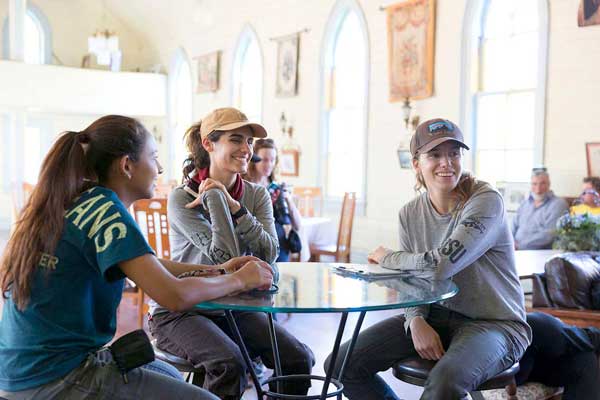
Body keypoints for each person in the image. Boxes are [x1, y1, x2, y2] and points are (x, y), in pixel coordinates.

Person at [0, 115, 276, 400]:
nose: (159, 167)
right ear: (127, 165)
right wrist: (239, 279)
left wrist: (216, 271)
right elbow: (174, 297)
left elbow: (147, 265)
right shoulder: (105, 210)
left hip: (20, 369)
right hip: (56, 376)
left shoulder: (78, 198)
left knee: (168, 374)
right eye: (153, 157)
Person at [324, 118, 531, 400]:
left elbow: (440, 266)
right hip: (435, 315)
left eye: (454, 153)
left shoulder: (485, 201)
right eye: (435, 154)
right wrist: (416, 321)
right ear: (416, 163)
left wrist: (388, 257)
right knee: (339, 365)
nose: (446, 163)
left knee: (443, 383)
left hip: (495, 323)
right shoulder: (409, 213)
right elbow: (411, 281)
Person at [148, 107, 314, 400]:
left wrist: (235, 207)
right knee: (229, 364)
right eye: (236, 140)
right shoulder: (181, 198)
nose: (246, 149)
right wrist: (214, 196)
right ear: (209, 144)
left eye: (249, 142)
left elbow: (271, 252)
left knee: (298, 358)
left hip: (235, 307)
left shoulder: (256, 195)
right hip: (180, 310)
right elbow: (223, 259)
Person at [517, 312, 600, 400]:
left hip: (537, 358)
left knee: (584, 360)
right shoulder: (563, 336)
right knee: (586, 360)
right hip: (516, 368)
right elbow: (520, 375)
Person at [244, 138, 302, 262]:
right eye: (264, 160)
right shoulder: (243, 186)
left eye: (272, 160)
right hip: (251, 248)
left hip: (279, 246)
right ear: (253, 160)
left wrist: (288, 200)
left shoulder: (276, 187)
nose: (269, 164)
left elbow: (297, 226)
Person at [512, 167, 568, 250]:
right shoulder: (524, 203)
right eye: (534, 184)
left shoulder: (558, 204)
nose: (538, 189)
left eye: (543, 183)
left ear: (549, 184)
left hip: (538, 253)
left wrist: (519, 246)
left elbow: (549, 234)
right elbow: (513, 226)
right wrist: (509, 243)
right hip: (515, 250)